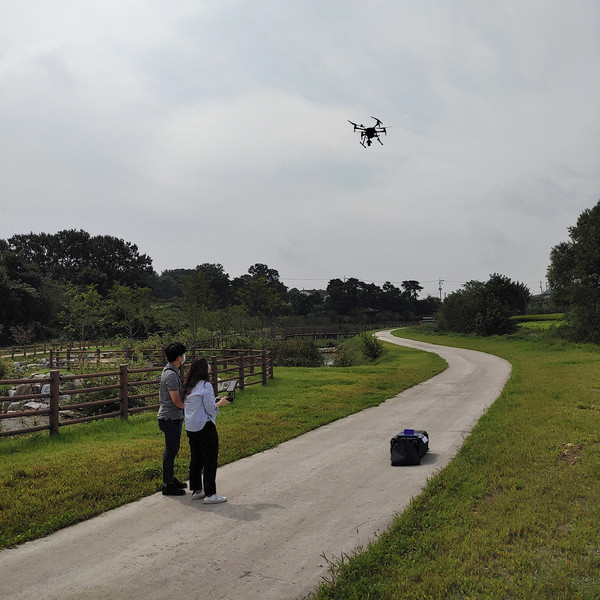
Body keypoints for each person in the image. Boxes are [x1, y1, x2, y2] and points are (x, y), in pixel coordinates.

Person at [181, 357, 230, 504]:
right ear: (204, 369)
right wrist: (220, 403)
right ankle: (210, 494)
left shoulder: (189, 386)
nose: (209, 367)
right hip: (205, 426)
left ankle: (197, 490)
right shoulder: (206, 386)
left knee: (196, 458)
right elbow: (209, 408)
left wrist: (214, 400)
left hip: (191, 427)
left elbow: (199, 404)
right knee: (210, 459)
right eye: (207, 365)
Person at [158, 342, 188, 496]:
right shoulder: (170, 374)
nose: (184, 357)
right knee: (170, 451)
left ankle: (170, 478)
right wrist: (189, 407)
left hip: (172, 416)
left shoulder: (172, 371)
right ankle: (167, 484)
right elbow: (175, 400)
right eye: (183, 354)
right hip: (170, 417)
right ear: (178, 357)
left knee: (173, 449)